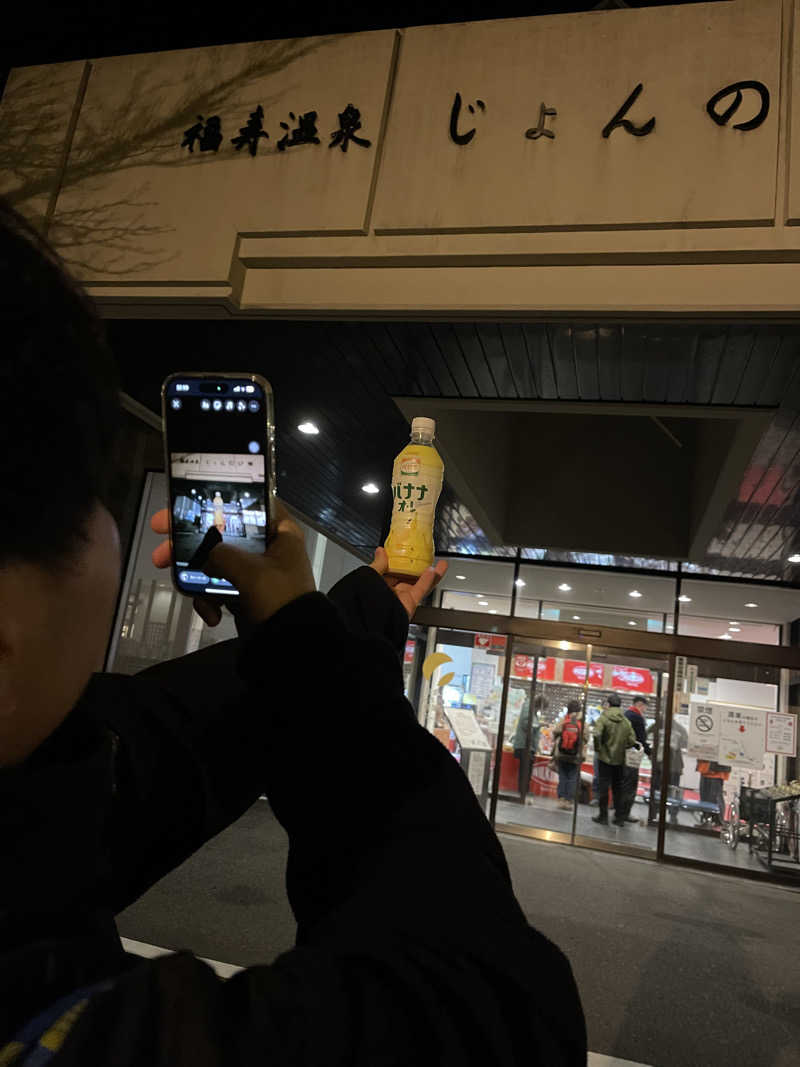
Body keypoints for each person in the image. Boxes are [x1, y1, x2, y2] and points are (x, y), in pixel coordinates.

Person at [0, 201, 585, 1066]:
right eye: (92, 491)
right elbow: (498, 1006)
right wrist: (308, 633)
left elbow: (195, 724)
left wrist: (358, 611)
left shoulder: (36, 796)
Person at [591, 694, 637, 827]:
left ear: (609, 704)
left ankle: (603, 816)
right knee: (618, 789)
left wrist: (598, 748)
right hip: (620, 760)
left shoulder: (603, 718)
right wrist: (623, 748)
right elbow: (632, 740)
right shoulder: (626, 721)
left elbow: (597, 734)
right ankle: (619, 817)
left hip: (604, 759)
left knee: (603, 788)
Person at [620, 696, 652, 824]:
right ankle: (625, 813)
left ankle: (619, 811)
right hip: (632, 757)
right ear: (640, 704)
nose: (645, 709)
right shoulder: (637, 718)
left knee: (622, 784)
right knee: (630, 785)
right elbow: (641, 740)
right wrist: (650, 752)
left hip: (621, 755)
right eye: (645, 706)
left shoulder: (625, 714)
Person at [512, 693, 548, 799]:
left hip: (527, 745)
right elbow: (526, 724)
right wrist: (539, 725)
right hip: (525, 744)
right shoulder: (529, 708)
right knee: (525, 768)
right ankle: (523, 790)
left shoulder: (531, 709)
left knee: (527, 768)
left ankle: (525, 789)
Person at [551, 700, 584, 810]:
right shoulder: (582, 722)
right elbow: (587, 737)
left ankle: (561, 799)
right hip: (575, 755)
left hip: (562, 753)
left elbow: (555, 731)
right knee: (572, 777)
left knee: (563, 776)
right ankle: (569, 800)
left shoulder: (564, 720)